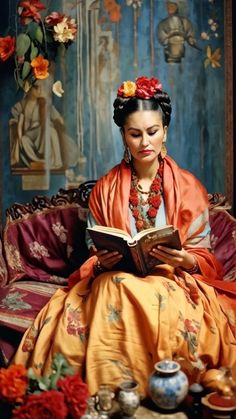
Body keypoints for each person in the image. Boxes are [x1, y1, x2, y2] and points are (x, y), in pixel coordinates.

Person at [13, 76, 236, 397]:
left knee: (149, 290)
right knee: (112, 285)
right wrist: (102, 261)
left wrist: (185, 259)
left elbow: (205, 257)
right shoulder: (105, 189)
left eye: (152, 131)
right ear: (123, 136)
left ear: (165, 132)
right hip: (115, 277)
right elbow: (95, 249)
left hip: (173, 281)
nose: (145, 142)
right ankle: (110, 395)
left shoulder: (187, 187)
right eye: (135, 134)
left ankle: (146, 394)